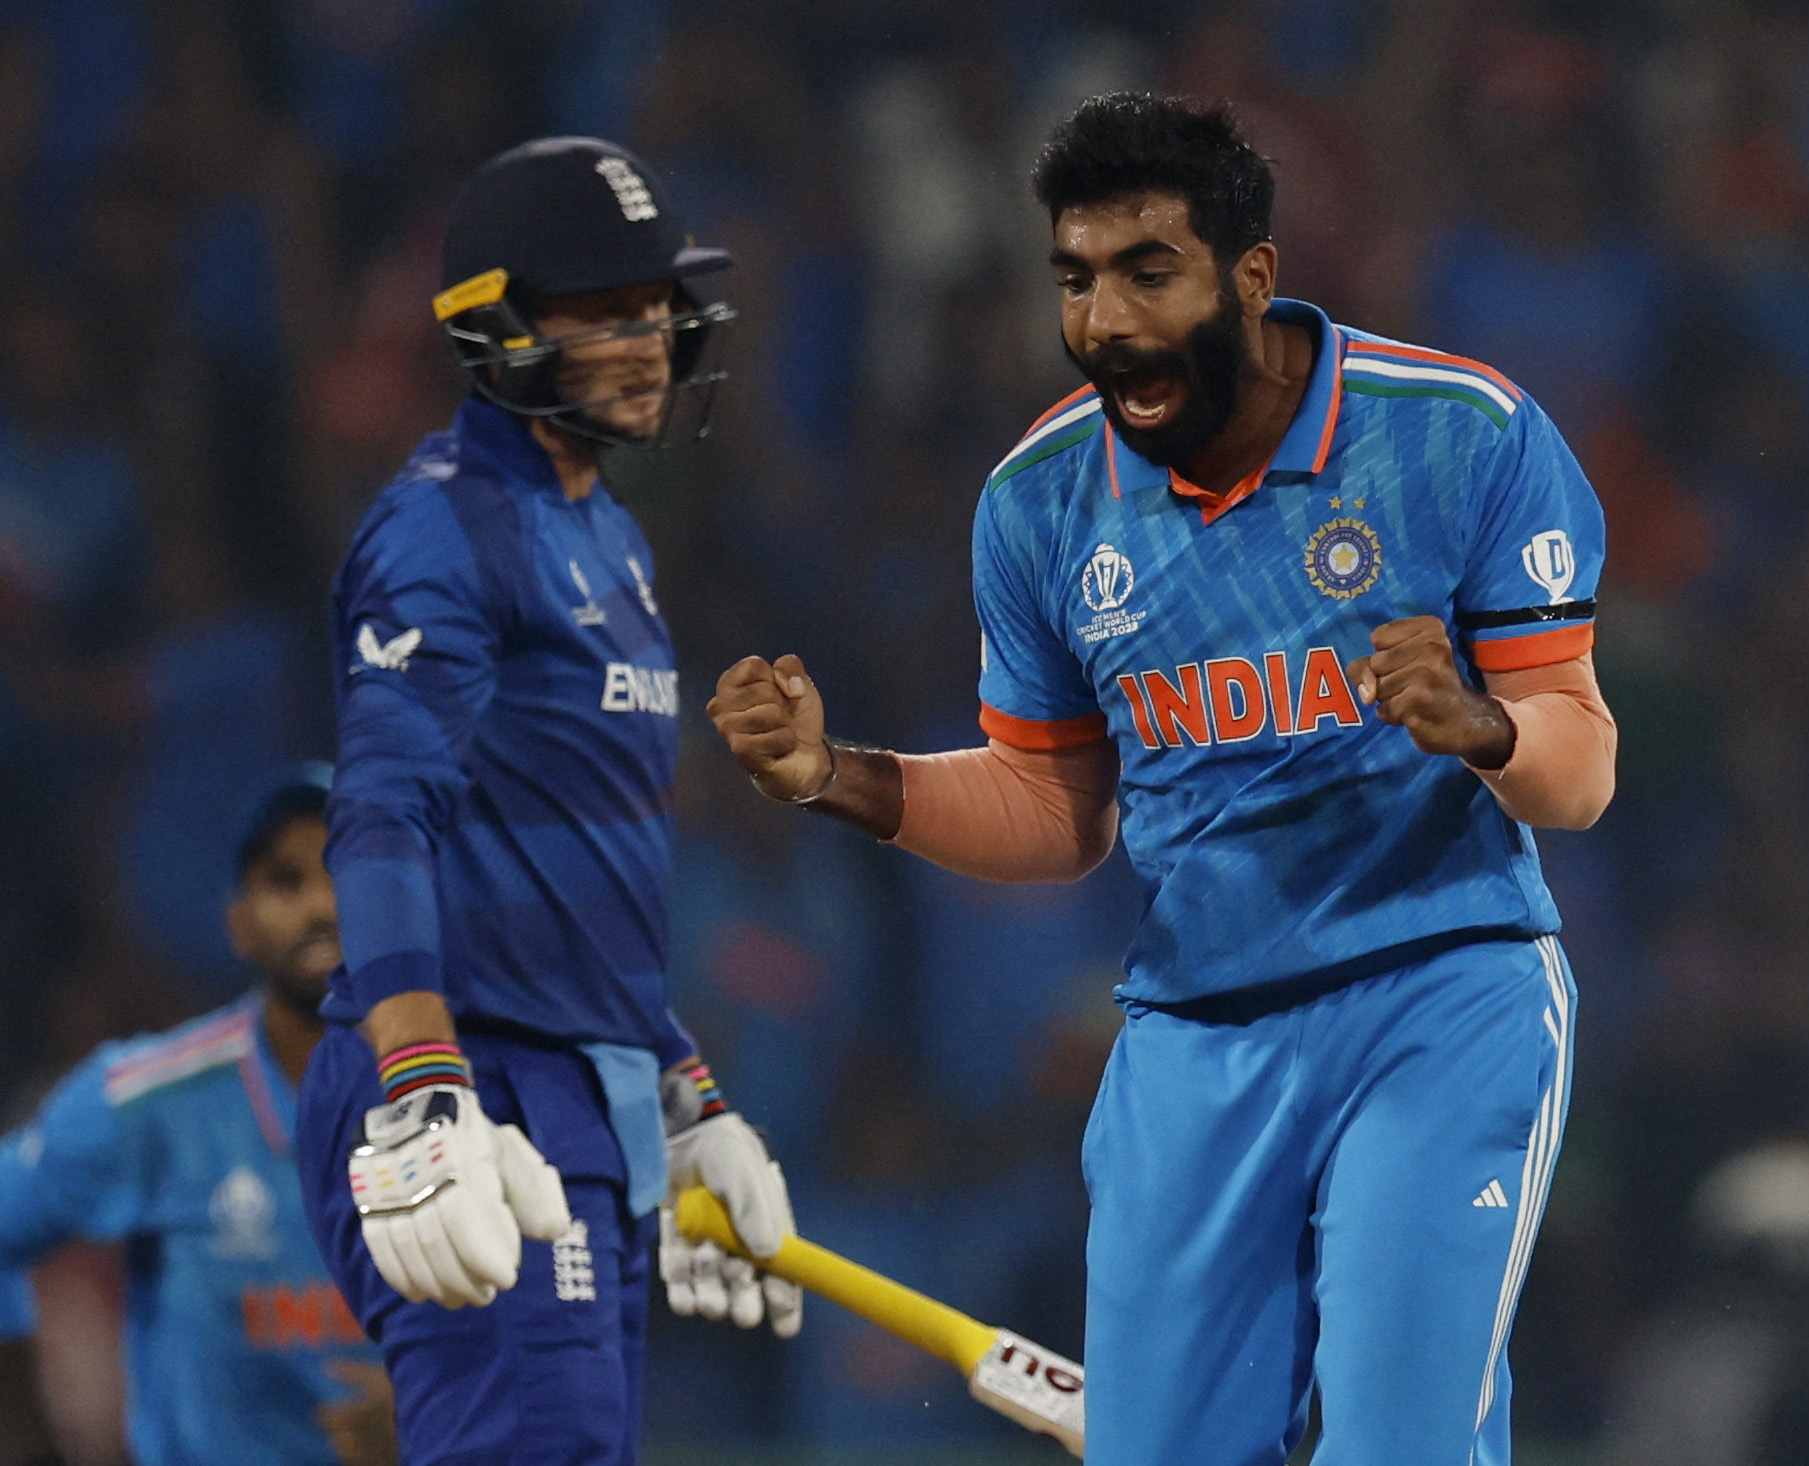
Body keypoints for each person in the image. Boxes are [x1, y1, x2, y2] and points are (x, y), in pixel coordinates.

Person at [709, 94, 1617, 1466]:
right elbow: (1054, 811)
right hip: (1195, 1035)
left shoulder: (1455, 434)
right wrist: (833, 774)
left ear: (1250, 277)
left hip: (1440, 988)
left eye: (1148, 271)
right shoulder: (1040, 502)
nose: (1106, 322)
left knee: (1396, 1445)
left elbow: (1581, 763)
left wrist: (1486, 727)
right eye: (1075, 278)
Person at [294, 136, 800, 1466]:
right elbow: (384, 815)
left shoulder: (610, 536)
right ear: (503, 329)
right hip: (468, 1089)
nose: (649, 341)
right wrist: (419, 1087)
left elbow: (570, 886)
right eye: (605, 314)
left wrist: (682, 1087)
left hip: (575, 1095)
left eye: (656, 308)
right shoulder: (442, 531)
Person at [0, 765, 397, 1465]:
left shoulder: (463, 1097)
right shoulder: (147, 1101)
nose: (320, 907)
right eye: (285, 879)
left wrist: (438, 1417)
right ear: (238, 925)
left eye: (346, 874)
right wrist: (28, 1440)